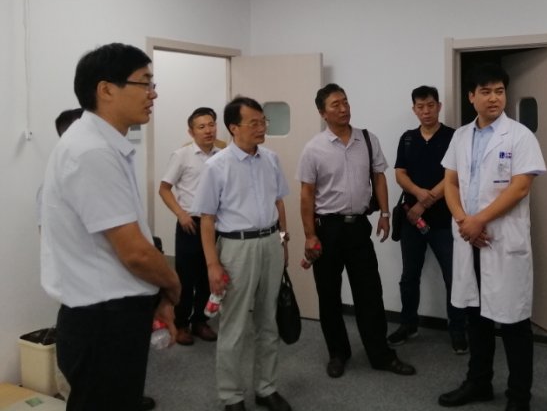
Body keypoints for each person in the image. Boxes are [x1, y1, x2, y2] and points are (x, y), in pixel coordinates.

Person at [40, 43, 180, 411]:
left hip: (110, 313)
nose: (153, 93)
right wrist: (172, 283)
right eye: (145, 82)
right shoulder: (92, 151)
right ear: (106, 90)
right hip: (102, 320)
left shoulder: (100, 143)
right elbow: (135, 253)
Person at [438, 63, 546, 411]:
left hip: (501, 241)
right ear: (471, 96)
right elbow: (450, 182)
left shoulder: (520, 136)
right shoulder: (460, 136)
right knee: (476, 317)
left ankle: (519, 397)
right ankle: (479, 383)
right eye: (485, 91)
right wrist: (463, 220)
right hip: (469, 239)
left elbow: (520, 187)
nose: (494, 98)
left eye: (499, 91)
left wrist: (478, 221)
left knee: (514, 322)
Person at [297, 83, 416, 379]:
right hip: (327, 228)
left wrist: (385, 214)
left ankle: (380, 354)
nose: (344, 108)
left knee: (370, 293)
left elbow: (379, 178)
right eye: (336, 104)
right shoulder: (314, 148)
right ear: (323, 113)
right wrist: (310, 235)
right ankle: (338, 353)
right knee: (329, 294)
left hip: (358, 227)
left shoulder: (367, 139)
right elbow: (306, 194)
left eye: (346, 102)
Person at [194, 96, 292, 411]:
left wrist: (283, 240)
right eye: (254, 123)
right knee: (234, 326)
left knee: (268, 321)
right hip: (236, 248)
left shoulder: (271, 159)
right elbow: (206, 219)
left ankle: (266, 388)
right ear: (234, 127)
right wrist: (212, 264)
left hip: (270, 242)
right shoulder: (216, 166)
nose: (262, 128)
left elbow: (279, 202)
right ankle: (231, 396)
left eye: (264, 121)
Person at [388, 85, 467, 354]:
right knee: (409, 276)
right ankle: (408, 324)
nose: (426, 111)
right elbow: (400, 173)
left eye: (431, 105)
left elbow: (454, 176)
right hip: (412, 221)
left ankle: (457, 330)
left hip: (445, 220)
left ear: (439, 106)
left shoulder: (454, 137)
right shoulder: (408, 138)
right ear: (414, 109)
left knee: (453, 277)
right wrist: (418, 194)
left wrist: (424, 201)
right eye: (420, 107)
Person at [159, 107, 222, 345]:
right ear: (191, 131)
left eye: (211, 125)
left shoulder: (222, 155)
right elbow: (164, 189)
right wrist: (181, 214)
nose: (208, 130)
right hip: (190, 224)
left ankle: (200, 321)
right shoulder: (182, 155)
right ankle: (181, 323)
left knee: (208, 275)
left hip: (214, 223)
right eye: (201, 126)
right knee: (186, 277)